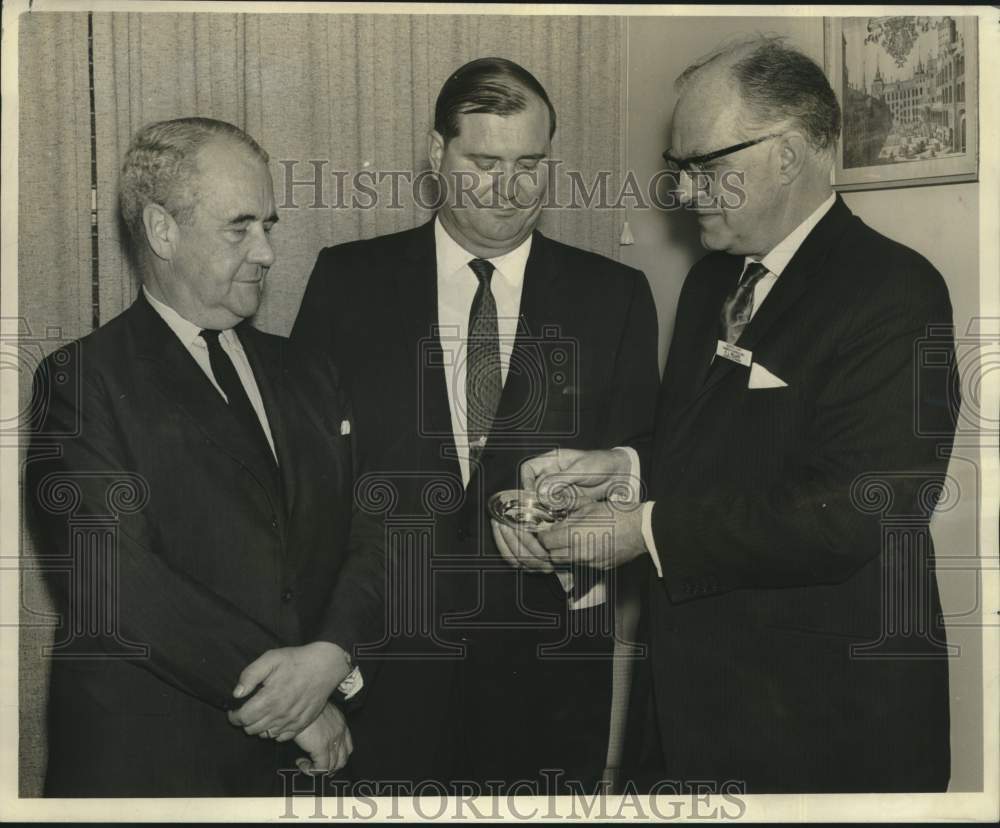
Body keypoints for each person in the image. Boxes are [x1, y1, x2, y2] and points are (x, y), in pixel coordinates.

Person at [500, 38, 957, 792]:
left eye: (706, 168)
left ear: (789, 153)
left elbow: (852, 512)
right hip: (688, 710)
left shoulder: (895, 292)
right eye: (679, 171)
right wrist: (624, 468)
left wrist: (641, 530)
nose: (684, 194)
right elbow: (711, 447)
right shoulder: (714, 279)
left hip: (822, 723)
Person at [291, 57, 659, 791]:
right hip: (382, 665)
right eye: (484, 162)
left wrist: (590, 520)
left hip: (546, 671)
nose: (510, 188)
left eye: (530, 164)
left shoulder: (614, 296)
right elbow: (305, 482)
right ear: (437, 156)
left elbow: (646, 457)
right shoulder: (348, 281)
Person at [26, 117, 385, 796]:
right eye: (239, 227)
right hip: (152, 772)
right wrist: (291, 702)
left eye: (269, 226)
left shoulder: (308, 372)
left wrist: (331, 656)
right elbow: (114, 582)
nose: (267, 253)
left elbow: (370, 529)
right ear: (162, 231)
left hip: (296, 773)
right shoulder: (82, 381)